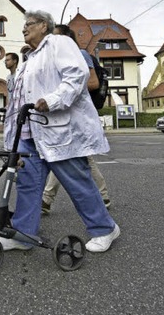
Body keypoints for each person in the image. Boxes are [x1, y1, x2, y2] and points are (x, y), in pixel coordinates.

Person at [1, 10, 119, 253]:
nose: (24, 29)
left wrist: (53, 100)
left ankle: (105, 229)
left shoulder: (59, 42)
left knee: (77, 181)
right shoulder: (31, 57)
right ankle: (24, 235)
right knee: (27, 185)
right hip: (30, 133)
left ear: (44, 25)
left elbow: (77, 74)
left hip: (58, 130)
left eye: (29, 24)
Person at [41, 24, 111, 214]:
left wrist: (63, 93)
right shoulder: (63, 56)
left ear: (65, 38)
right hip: (68, 114)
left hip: (77, 115)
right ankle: (102, 195)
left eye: (55, 37)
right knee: (75, 156)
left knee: (65, 155)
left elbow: (93, 82)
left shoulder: (80, 53)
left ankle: (47, 199)